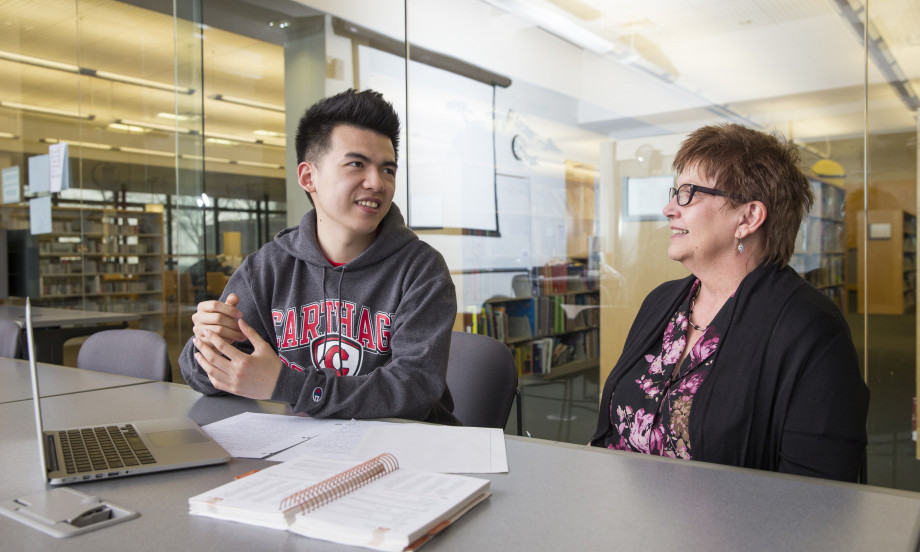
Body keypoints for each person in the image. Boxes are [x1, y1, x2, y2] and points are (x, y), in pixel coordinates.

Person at [590, 123, 869, 482]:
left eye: (689, 194)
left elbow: (818, 497)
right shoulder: (662, 302)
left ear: (748, 218)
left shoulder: (811, 331)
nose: (668, 209)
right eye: (676, 192)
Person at [179, 89, 459, 424]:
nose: (377, 183)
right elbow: (203, 376)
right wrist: (211, 342)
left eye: (387, 170)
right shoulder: (268, 267)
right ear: (309, 177)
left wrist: (288, 385)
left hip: (404, 447)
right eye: (356, 164)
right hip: (302, 446)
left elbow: (413, 391)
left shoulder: (421, 269)